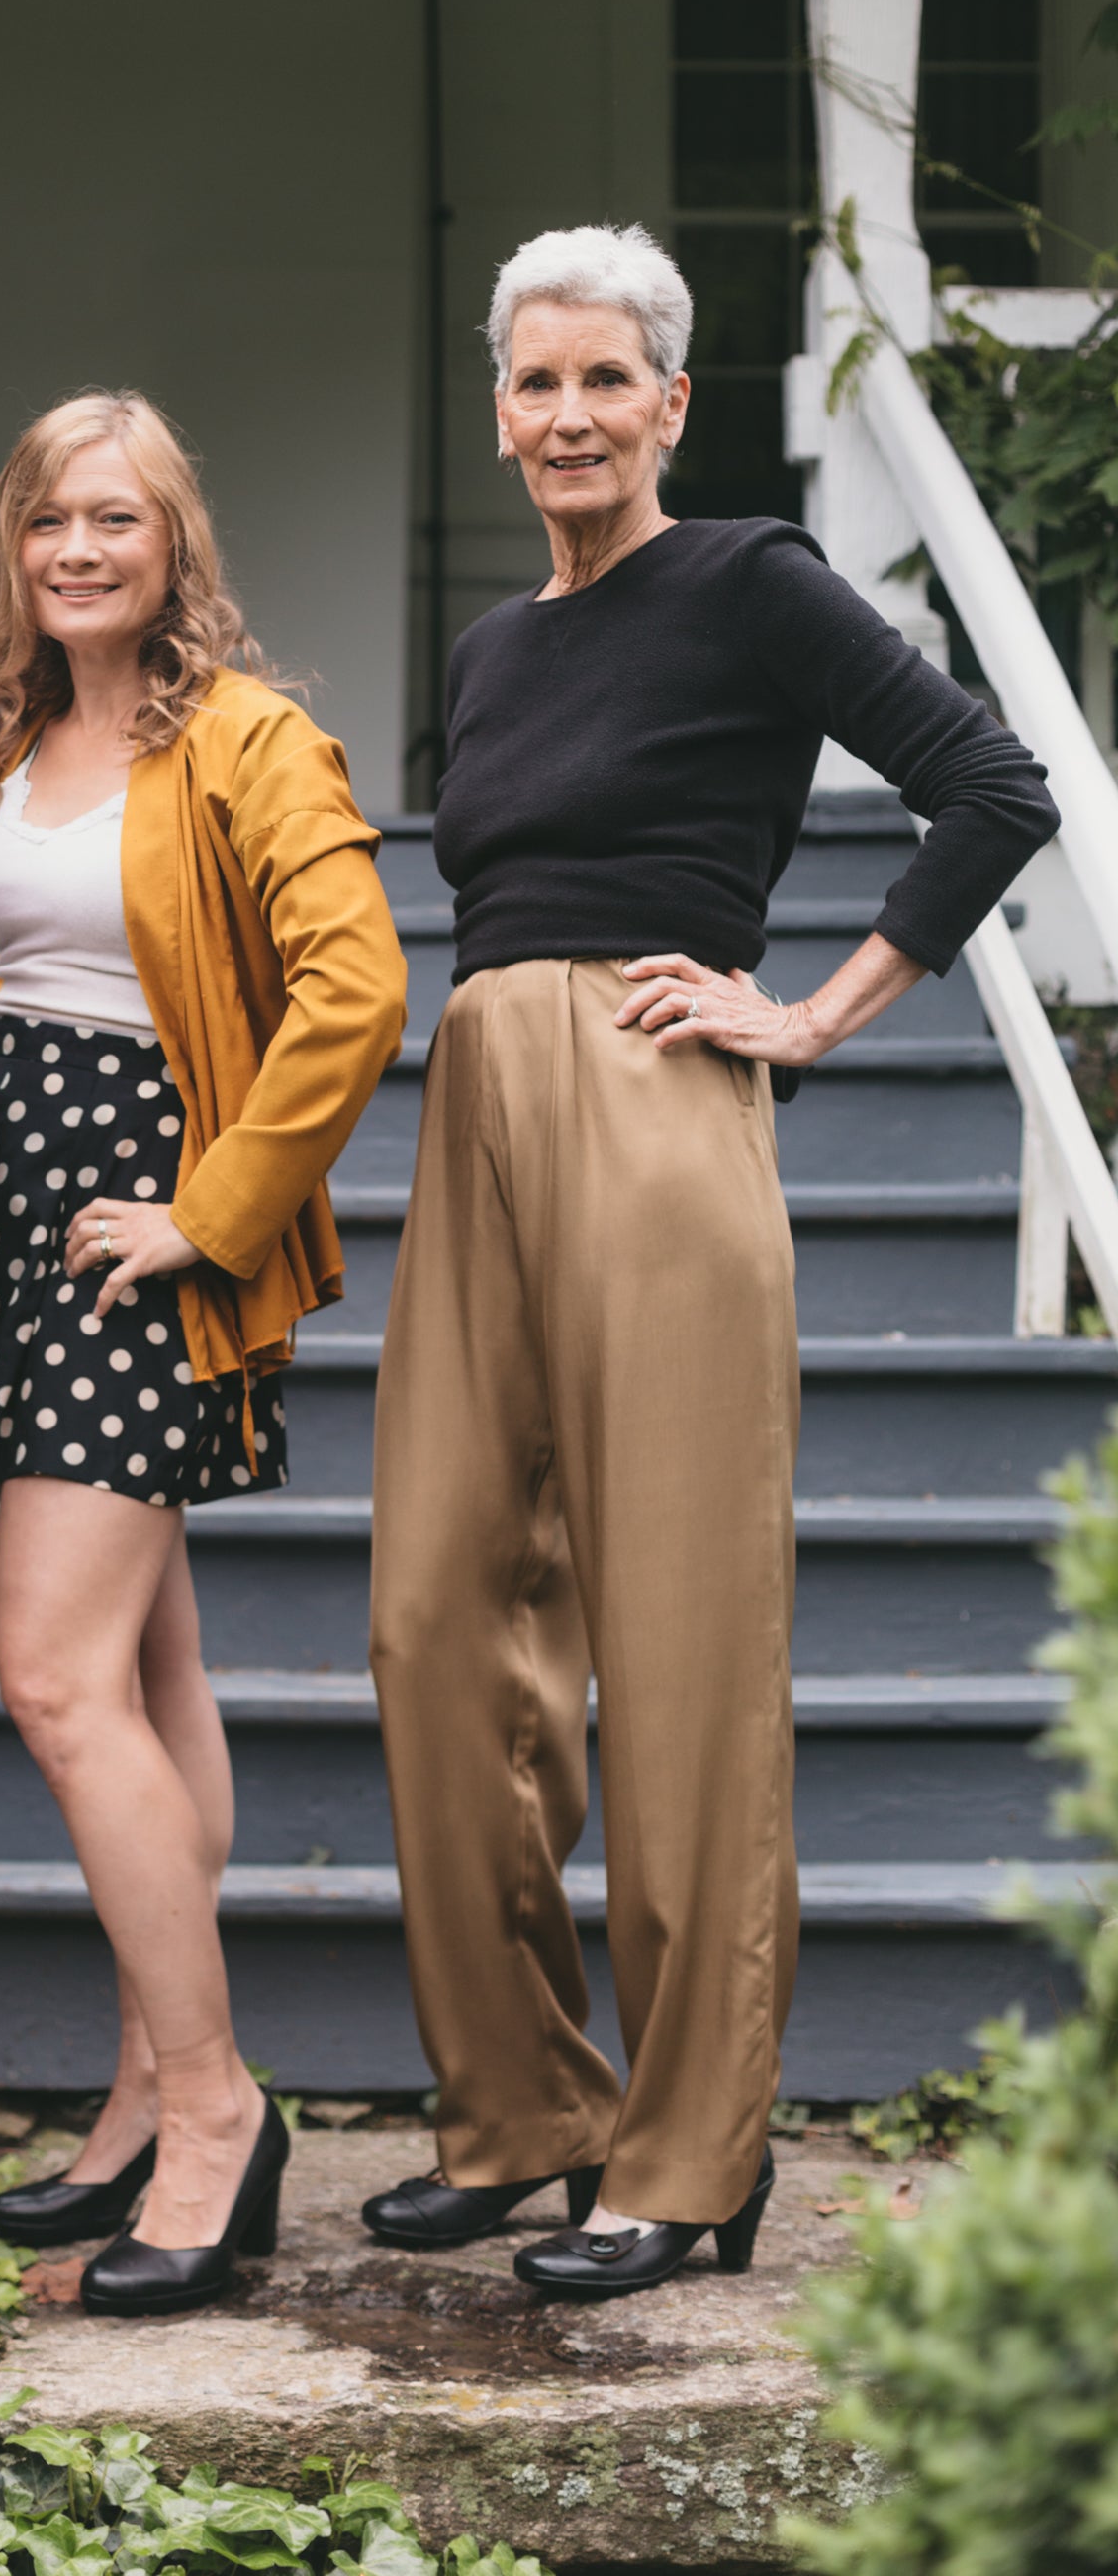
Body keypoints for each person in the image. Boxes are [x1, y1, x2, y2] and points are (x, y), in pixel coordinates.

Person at [364, 225, 1059, 2300]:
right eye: (532, 384)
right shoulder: (492, 652)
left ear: (671, 401)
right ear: (498, 410)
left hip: (659, 1103)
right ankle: (523, 2111)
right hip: (479, 1087)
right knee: (429, 1617)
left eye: (605, 381)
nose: (564, 416)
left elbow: (988, 785)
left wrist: (811, 1011)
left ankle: (686, 2157)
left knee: (675, 1641)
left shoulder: (746, 579)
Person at [0, 389, 408, 2317]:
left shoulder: (247, 740)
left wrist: (211, 1211)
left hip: (147, 1221)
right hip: (19, 1200)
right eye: (50, 519)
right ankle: (140, 2091)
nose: (79, 551)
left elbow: (353, 982)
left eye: (116, 519)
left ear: (172, 543)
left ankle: (215, 2110)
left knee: (53, 1677)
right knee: (142, 1660)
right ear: (14, 545)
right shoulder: (8, 734)